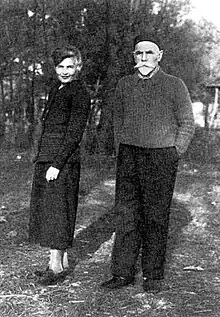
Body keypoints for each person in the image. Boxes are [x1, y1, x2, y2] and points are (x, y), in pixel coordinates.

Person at [101, 35, 195, 293]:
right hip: (129, 156)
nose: (143, 58)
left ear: (160, 56)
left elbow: (187, 122)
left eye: (149, 53)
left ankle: (153, 275)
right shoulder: (124, 84)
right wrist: (121, 148)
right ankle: (122, 273)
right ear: (133, 57)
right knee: (126, 215)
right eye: (138, 54)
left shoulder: (174, 85)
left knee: (155, 217)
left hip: (161, 157)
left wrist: (175, 151)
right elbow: (117, 120)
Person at [29, 45, 90, 285]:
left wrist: (57, 163)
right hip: (47, 157)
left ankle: (54, 267)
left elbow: (74, 133)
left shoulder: (80, 93)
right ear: (55, 68)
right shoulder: (57, 88)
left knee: (58, 211)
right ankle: (60, 262)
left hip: (62, 161)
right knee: (51, 210)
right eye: (61, 67)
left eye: (70, 66)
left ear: (78, 67)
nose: (65, 71)